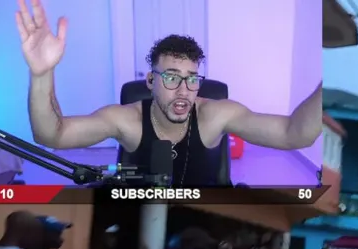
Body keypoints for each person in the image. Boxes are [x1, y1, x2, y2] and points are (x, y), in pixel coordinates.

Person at [17, 1, 322, 187]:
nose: (183, 91)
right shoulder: (126, 120)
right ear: (151, 81)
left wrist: (327, 89)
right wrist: (41, 73)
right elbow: (51, 135)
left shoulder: (216, 115)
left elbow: (294, 134)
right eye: (172, 77)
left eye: (192, 79)